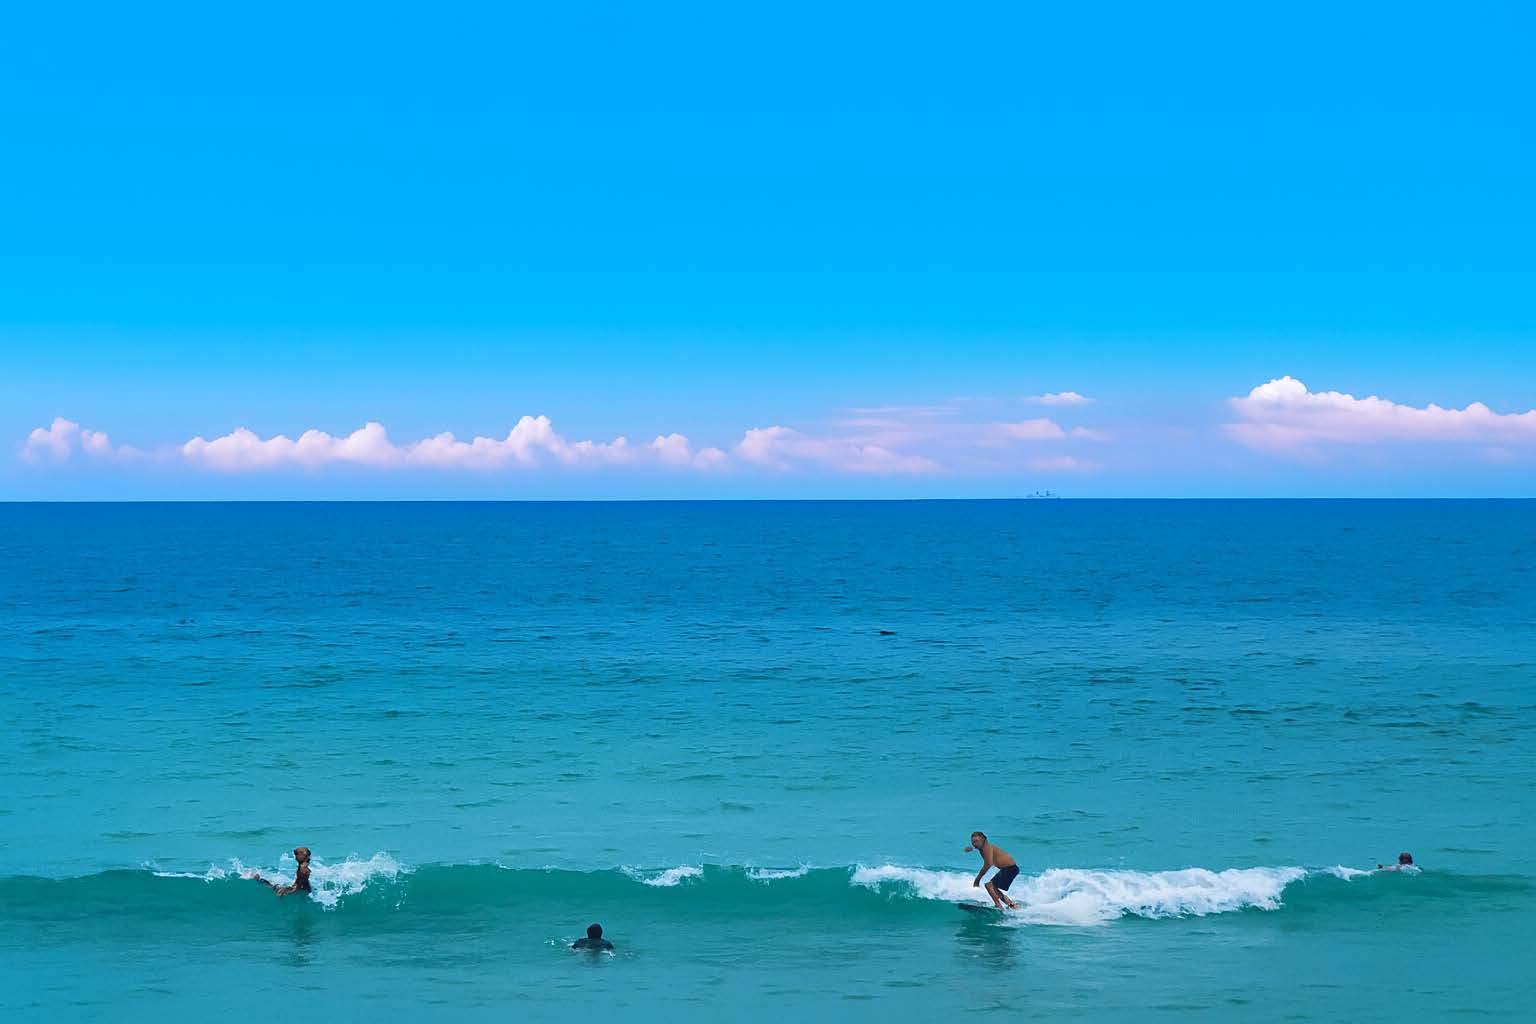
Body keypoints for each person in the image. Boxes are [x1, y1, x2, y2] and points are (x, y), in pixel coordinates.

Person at [966, 831, 1020, 910]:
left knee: (989, 886)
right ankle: (1012, 905)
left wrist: (977, 879)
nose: (974, 844)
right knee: (994, 889)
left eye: (976, 841)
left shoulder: (987, 848)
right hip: (1009, 869)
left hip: (1010, 869)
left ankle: (999, 907)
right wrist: (972, 848)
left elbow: (988, 864)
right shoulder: (982, 847)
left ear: (984, 840)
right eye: (973, 842)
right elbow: (977, 846)